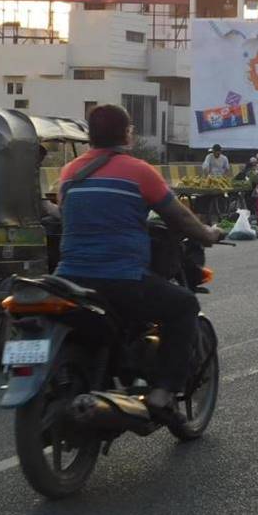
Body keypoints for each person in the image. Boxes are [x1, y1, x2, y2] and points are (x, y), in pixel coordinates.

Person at [57, 104, 222, 419]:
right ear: (127, 133)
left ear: (90, 136)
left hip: (69, 281)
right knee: (184, 305)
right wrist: (207, 234)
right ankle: (163, 390)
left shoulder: (69, 173)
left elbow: (65, 214)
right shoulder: (138, 171)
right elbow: (179, 216)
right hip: (121, 280)